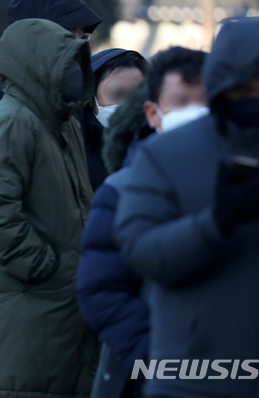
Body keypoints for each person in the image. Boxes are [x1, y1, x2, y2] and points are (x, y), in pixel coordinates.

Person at [114, 16, 259, 397]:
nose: (257, 102)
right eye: (244, 91)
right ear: (222, 85)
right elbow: (139, 249)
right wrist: (214, 224)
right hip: (196, 381)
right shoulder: (166, 155)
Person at [0, 0, 101, 354]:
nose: (80, 47)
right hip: (6, 292)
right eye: (70, 36)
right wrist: (48, 267)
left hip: (44, 296)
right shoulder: (1, 100)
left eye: (84, 37)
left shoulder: (62, 104)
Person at [76, 46, 206, 398]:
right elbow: (102, 289)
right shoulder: (114, 180)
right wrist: (160, 357)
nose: (192, 113)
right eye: (180, 101)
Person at [81, 49, 146, 190]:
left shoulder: (150, 149)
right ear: (90, 97)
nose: (126, 105)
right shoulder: (72, 148)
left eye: (135, 96)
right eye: (117, 93)